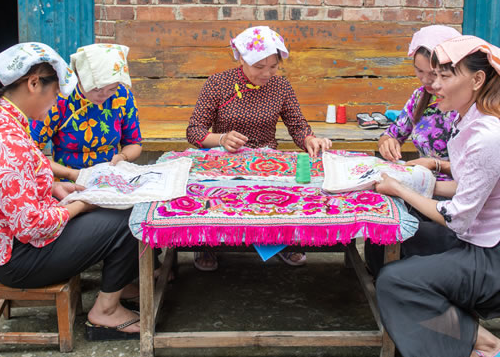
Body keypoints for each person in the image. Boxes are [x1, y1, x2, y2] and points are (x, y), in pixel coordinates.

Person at [373, 35, 500, 357]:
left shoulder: (488, 134)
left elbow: (457, 218)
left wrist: (401, 189)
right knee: (384, 244)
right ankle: (442, 316)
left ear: (477, 80)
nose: (435, 86)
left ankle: (484, 344)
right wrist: (422, 177)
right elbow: (466, 188)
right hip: (482, 241)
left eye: (445, 76)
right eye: (434, 76)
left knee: (395, 280)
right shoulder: (470, 121)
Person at [0, 42, 141, 340]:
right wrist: (82, 205)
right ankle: (105, 311)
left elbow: (32, 181)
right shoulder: (7, 142)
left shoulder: (8, 124)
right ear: (34, 84)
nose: (57, 98)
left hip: (25, 244)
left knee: (123, 210)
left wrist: (62, 188)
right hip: (21, 260)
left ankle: (117, 291)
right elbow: (32, 226)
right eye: (56, 90)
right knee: (126, 222)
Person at [185, 25, 332, 271]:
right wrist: (221, 139)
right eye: (259, 67)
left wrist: (309, 140)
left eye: (273, 66)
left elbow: (297, 125)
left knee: (283, 196)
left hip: (266, 161)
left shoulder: (280, 87)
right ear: (242, 58)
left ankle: (281, 241)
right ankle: (208, 243)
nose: (267, 73)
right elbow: (195, 131)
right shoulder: (218, 84)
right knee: (213, 196)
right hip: (225, 160)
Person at [366, 25, 461, 275]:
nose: (427, 81)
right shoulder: (422, 97)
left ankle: (396, 283)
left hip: (453, 198)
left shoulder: (466, 106)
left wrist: (434, 164)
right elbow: (394, 133)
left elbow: (476, 170)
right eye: (419, 71)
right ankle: (381, 284)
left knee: (394, 230)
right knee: (378, 217)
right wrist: (387, 141)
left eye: (435, 73)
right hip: (421, 186)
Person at [31, 44, 142, 182]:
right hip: (67, 182)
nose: (104, 95)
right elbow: (30, 152)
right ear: (80, 78)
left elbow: (134, 143)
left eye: (112, 89)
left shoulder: (122, 97)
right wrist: (72, 174)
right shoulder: (60, 100)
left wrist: (122, 157)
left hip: (109, 179)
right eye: (96, 89)